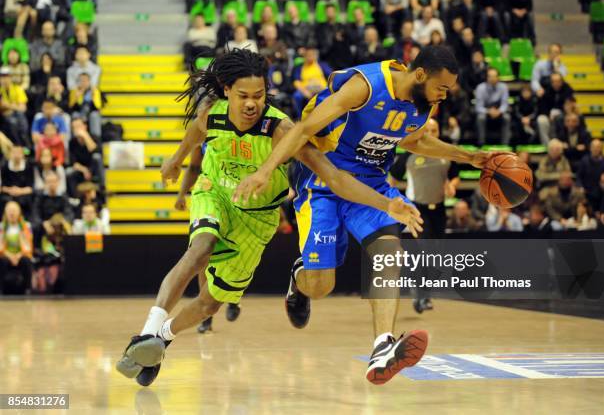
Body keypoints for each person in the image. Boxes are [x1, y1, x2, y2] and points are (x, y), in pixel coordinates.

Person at [115, 49, 424, 387]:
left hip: (258, 218)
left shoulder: (280, 129)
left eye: (259, 95)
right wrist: (175, 161)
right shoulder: (211, 115)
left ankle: (159, 339)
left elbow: (334, 179)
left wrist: (385, 204)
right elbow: (192, 138)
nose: (252, 103)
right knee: (199, 249)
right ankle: (146, 330)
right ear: (226, 89)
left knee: (208, 305)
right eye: (244, 95)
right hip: (215, 192)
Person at [233, 46, 502, 384]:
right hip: (323, 181)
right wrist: (265, 171)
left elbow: (414, 142)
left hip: (370, 185)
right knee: (320, 286)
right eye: (442, 88)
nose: (444, 97)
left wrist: (469, 157)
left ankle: (382, 346)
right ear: (420, 75)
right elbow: (302, 130)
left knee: (389, 250)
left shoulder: (424, 103)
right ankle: (300, 278)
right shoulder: (367, 86)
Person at [388, 118, 460, 313]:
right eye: (427, 130)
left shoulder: (445, 152)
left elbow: (455, 174)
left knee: (436, 254)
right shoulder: (410, 154)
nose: (431, 134)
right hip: (418, 209)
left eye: (434, 130)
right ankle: (422, 296)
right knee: (426, 250)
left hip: (439, 209)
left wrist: (452, 185)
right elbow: (392, 177)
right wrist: (391, 201)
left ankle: (422, 292)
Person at [174, 143, 241, 333]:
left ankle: (233, 297)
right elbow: (194, 167)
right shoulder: (203, 129)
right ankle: (206, 317)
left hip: (236, 198)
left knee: (234, 257)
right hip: (210, 198)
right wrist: (181, 195)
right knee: (204, 257)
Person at [0, 201, 33, 295]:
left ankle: (27, 289)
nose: (12, 213)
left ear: (19, 212)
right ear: (5, 212)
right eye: (9, 210)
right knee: (2, 261)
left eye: (14, 210)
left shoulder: (26, 227)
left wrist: (18, 255)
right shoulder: (1, 227)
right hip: (5, 255)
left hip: (21, 255)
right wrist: (9, 255)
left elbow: (28, 246)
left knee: (26, 261)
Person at [474, 67, 511, 145]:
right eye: (490, 76)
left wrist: (499, 111)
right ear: (487, 77)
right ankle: (481, 144)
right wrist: (489, 111)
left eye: (494, 76)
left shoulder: (503, 87)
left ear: (498, 78)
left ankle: (505, 145)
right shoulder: (480, 88)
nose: (492, 78)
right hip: (486, 112)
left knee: (507, 117)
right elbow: (478, 107)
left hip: (499, 112)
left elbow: (505, 104)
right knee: (480, 118)